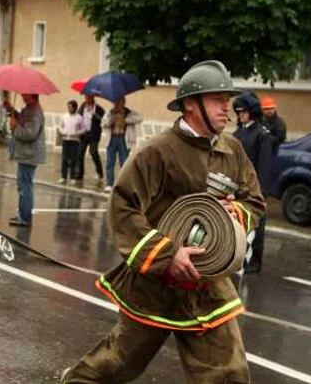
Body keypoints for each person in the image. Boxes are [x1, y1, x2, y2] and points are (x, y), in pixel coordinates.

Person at [60, 60, 265, 384]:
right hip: (154, 285)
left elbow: (253, 201)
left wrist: (233, 216)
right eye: (217, 99)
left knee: (230, 374)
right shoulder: (158, 151)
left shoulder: (233, 150)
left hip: (207, 287)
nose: (227, 107)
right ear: (189, 104)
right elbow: (123, 207)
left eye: (228, 100)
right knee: (117, 365)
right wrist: (169, 256)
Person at [233, 92, 274, 274]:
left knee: (256, 226)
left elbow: (264, 166)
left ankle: (254, 262)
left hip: (254, 188)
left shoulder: (262, 135)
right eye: (238, 112)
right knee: (240, 224)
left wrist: (262, 193)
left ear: (252, 112)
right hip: (238, 187)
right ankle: (239, 258)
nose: (240, 115)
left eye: (244, 112)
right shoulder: (238, 133)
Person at [3, 93, 45, 227]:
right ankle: (22, 215)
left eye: (25, 95)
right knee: (22, 186)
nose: (22, 96)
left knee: (25, 187)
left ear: (33, 96)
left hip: (29, 155)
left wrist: (15, 126)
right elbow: (21, 120)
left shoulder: (35, 112)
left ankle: (25, 218)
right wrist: (11, 110)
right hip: (25, 155)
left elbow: (29, 134)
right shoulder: (29, 109)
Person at [102, 97, 143, 191]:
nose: (118, 104)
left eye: (120, 102)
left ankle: (123, 184)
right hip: (112, 139)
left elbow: (140, 118)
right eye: (116, 102)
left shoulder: (128, 112)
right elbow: (103, 123)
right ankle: (109, 184)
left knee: (124, 163)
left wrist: (126, 120)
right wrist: (111, 120)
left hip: (124, 140)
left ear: (124, 103)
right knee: (110, 163)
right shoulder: (110, 112)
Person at [76, 94, 105, 184]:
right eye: (86, 97)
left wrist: (94, 114)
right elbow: (78, 117)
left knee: (93, 152)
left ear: (93, 97)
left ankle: (99, 172)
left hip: (94, 135)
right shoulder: (82, 106)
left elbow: (103, 120)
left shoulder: (99, 109)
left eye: (88, 97)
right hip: (84, 134)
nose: (87, 99)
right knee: (80, 153)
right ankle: (80, 174)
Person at [58, 99, 85, 184]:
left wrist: (77, 133)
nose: (69, 108)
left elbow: (83, 129)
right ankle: (63, 176)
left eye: (70, 107)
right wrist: (63, 132)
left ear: (75, 108)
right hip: (66, 139)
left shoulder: (79, 118)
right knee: (64, 159)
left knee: (74, 159)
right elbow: (60, 126)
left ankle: (73, 177)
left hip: (75, 140)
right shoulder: (64, 116)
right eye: (68, 107)